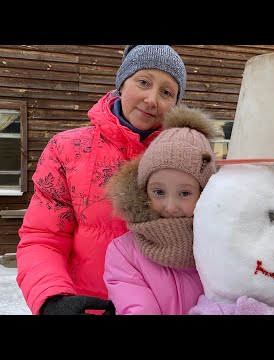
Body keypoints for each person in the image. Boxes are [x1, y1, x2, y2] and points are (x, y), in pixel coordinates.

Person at [16, 45, 187, 315]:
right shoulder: (66, 150)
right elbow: (44, 237)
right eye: (143, 82)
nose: (152, 99)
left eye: (167, 92)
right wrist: (52, 298)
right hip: (86, 307)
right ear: (122, 83)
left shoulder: (186, 159)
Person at [103, 104, 217, 315]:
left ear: (204, 193)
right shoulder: (125, 252)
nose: (171, 207)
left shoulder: (219, 246)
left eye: (185, 193)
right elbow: (138, 308)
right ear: (144, 191)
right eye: (159, 192)